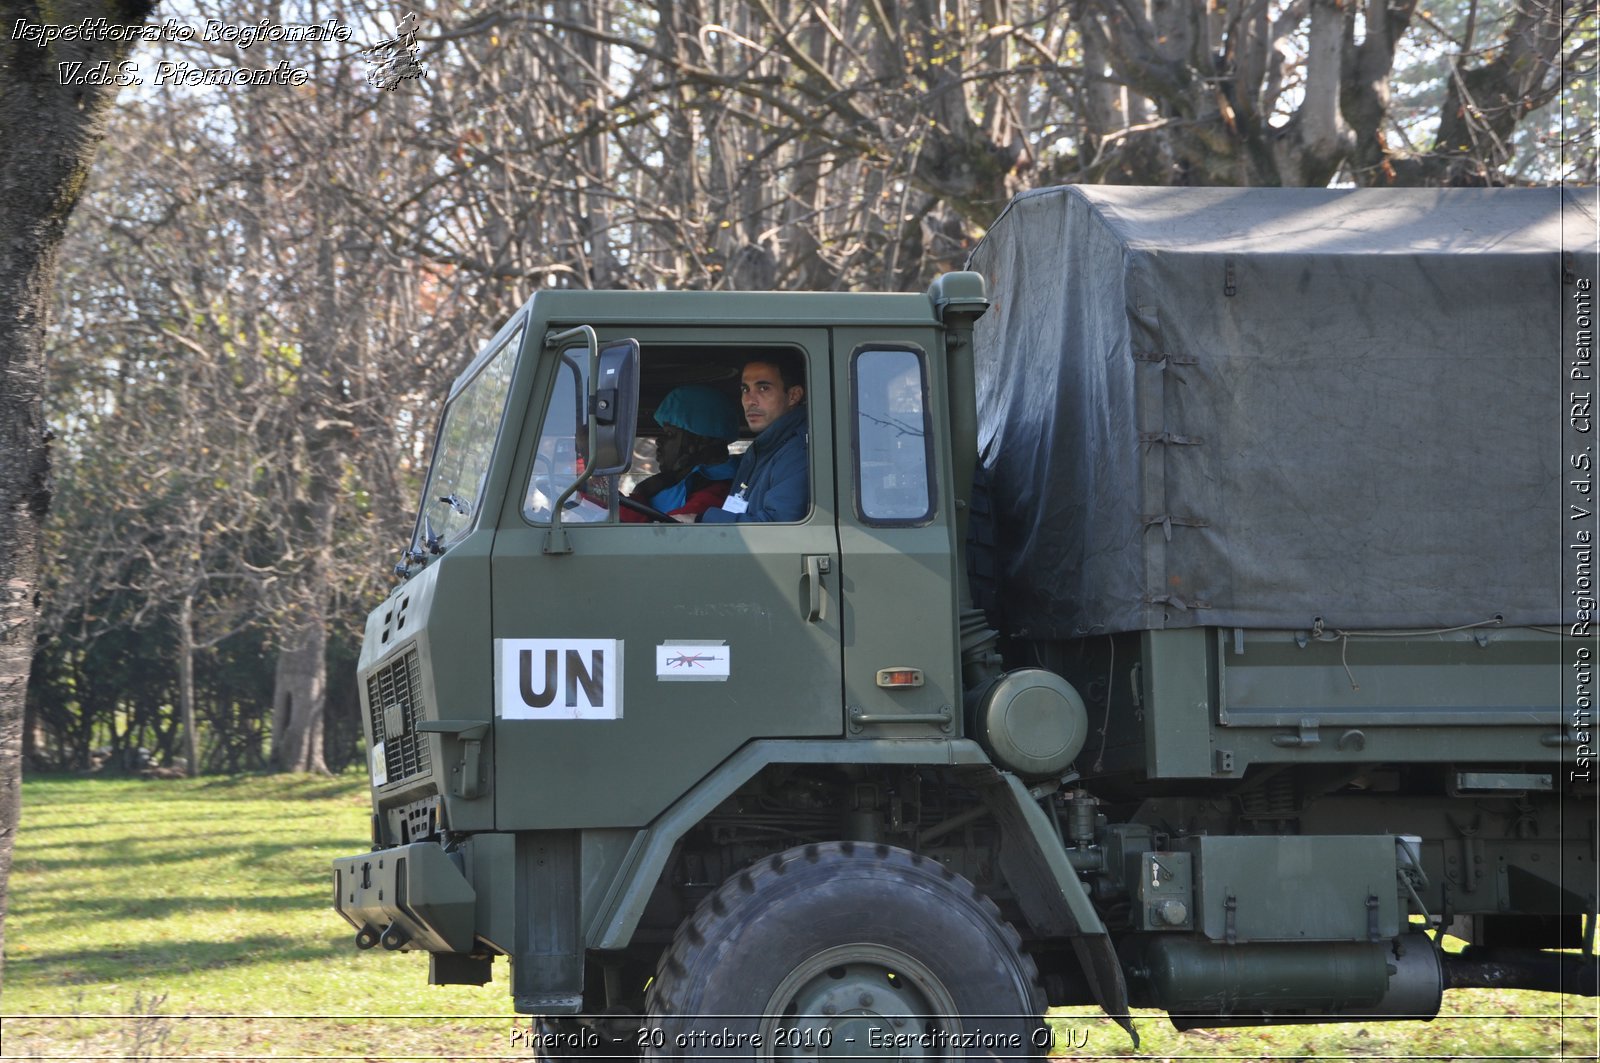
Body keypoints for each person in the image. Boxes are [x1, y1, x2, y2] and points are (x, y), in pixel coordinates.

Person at [697, 353, 808, 523]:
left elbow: (780, 529)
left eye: (763, 388)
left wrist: (701, 520)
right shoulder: (764, 449)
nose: (750, 400)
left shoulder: (799, 451)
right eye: (745, 389)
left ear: (793, 395)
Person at [620, 384, 743, 522]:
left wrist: (640, 494)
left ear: (702, 441)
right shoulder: (685, 481)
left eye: (670, 434)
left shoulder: (721, 489)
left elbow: (670, 535)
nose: (659, 442)